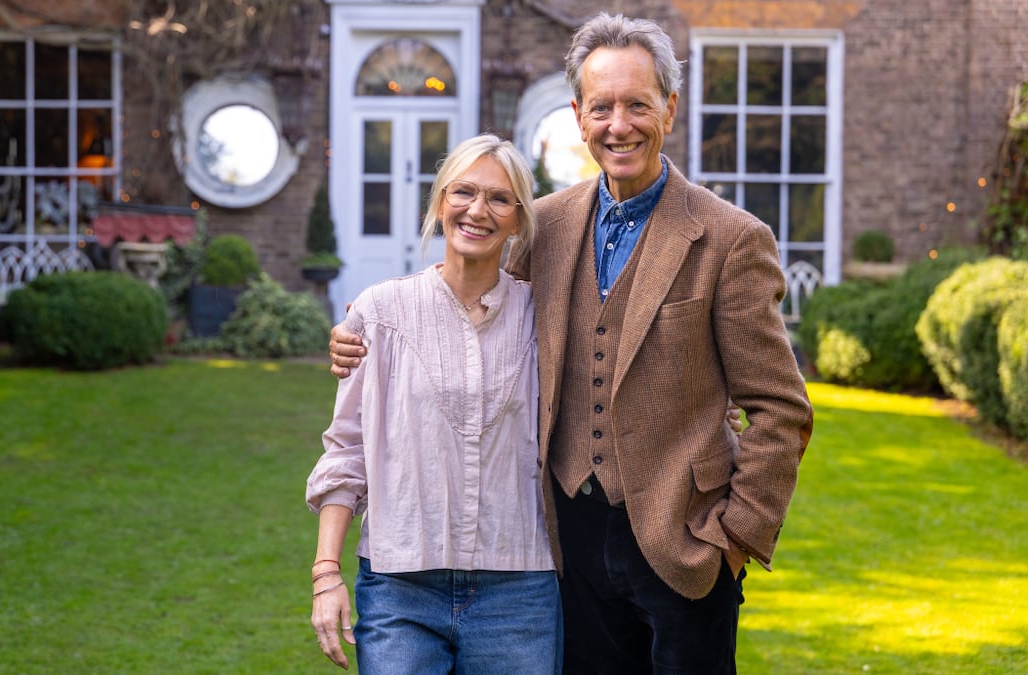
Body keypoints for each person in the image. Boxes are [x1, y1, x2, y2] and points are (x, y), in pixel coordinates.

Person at [330, 13, 815, 674]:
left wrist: (734, 538)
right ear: (579, 117)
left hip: (687, 538)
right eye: (602, 107)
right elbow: (478, 303)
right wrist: (368, 324)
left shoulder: (731, 238)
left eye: (637, 105)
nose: (620, 125)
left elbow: (781, 408)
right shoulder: (545, 225)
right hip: (566, 542)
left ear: (670, 109)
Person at [307, 134, 562, 674]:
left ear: (519, 220)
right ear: (440, 203)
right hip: (399, 589)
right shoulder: (381, 313)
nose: (478, 210)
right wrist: (326, 573)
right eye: (463, 192)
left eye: (499, 198)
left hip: (518, 589)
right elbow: (346, 452)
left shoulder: (544, 318)